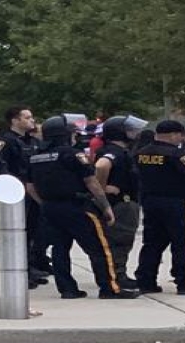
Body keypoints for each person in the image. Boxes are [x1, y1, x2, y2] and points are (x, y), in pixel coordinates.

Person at [27, 116, 135, 299]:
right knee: (100, 248)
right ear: (65, 135)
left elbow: (29, 186)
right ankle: (110, 288)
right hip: (77, 207)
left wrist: (45, 202)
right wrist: (105, 206)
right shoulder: (73, 154)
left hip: (50, 208)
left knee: (60, 249)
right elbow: (92, 182)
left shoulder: (35, 157)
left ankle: (67, 289)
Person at [132, 120, 185, 295]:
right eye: (180, 135)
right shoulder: (177, 154)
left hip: (150, 202)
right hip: (177, 202)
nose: (181, 138)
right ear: (174, 134)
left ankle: (146, 280)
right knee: (184, 242)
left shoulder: (141, 153)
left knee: (152, 243)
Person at [93, 117, 144, 289]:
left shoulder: (120, 151)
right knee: (120, 241)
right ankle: (117, 275)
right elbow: (101, 166)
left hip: (124, 202)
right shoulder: (114, 151)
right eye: (130, 130)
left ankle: (116, 274)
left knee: (121, 241)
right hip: (121, 204)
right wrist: (101, 188)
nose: (135, 133)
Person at [5, 105, 50, 285]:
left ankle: (30, 265)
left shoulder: (32, 141)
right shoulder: (7, 141)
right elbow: (4, 168)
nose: (32, 120)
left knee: (32, 231)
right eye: (27, 117)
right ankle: (20, 269)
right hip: (18, 192)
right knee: (19, 232)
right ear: (15, 120)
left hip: (32, 191)